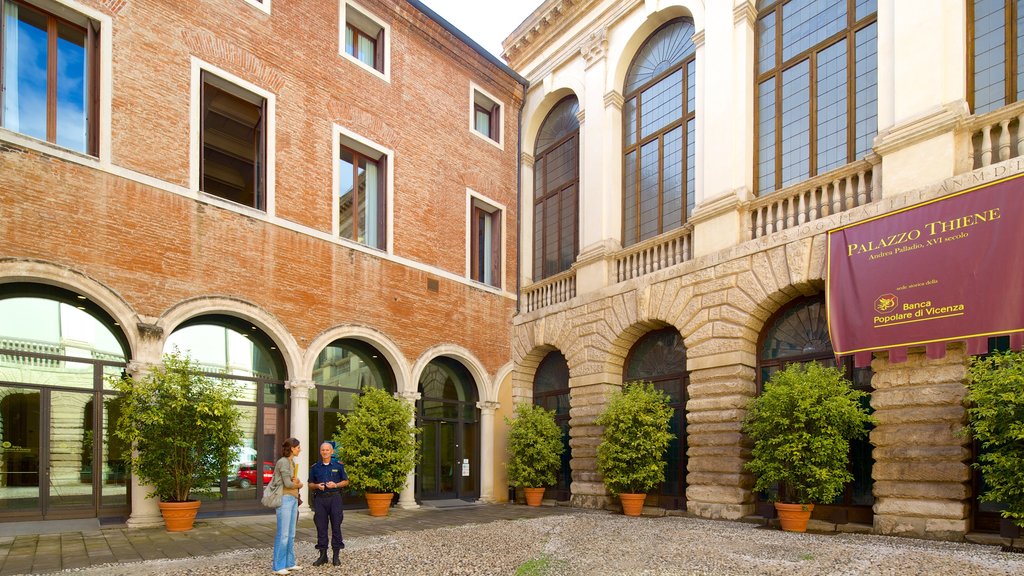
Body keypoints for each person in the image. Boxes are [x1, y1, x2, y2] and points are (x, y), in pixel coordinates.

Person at [308, 441, 349, 566]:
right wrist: (316, 486)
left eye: (327, 450)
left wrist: (335, 485)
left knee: (336, 526)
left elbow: (346, 481)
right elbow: (310, 484)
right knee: (321, 527)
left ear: (332, 452)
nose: (325, 452)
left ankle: (336, 555)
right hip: (320, 499)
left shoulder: (339, 465)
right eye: (323, 450)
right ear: (320, 452)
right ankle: (323, 555)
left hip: (335, 498)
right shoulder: (315, 467)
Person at [272, 438, 304, 575]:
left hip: (292, 499)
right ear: (292, 448)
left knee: (291, 534)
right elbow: (288, 484)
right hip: (284, 500)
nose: (300, 449)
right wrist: (300, 485)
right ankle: (278, 567)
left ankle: (289, 563)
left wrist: (296, 482)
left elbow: (292, 481)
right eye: (298, 447)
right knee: (283, 534)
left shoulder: (291, 462)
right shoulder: (283, 462)